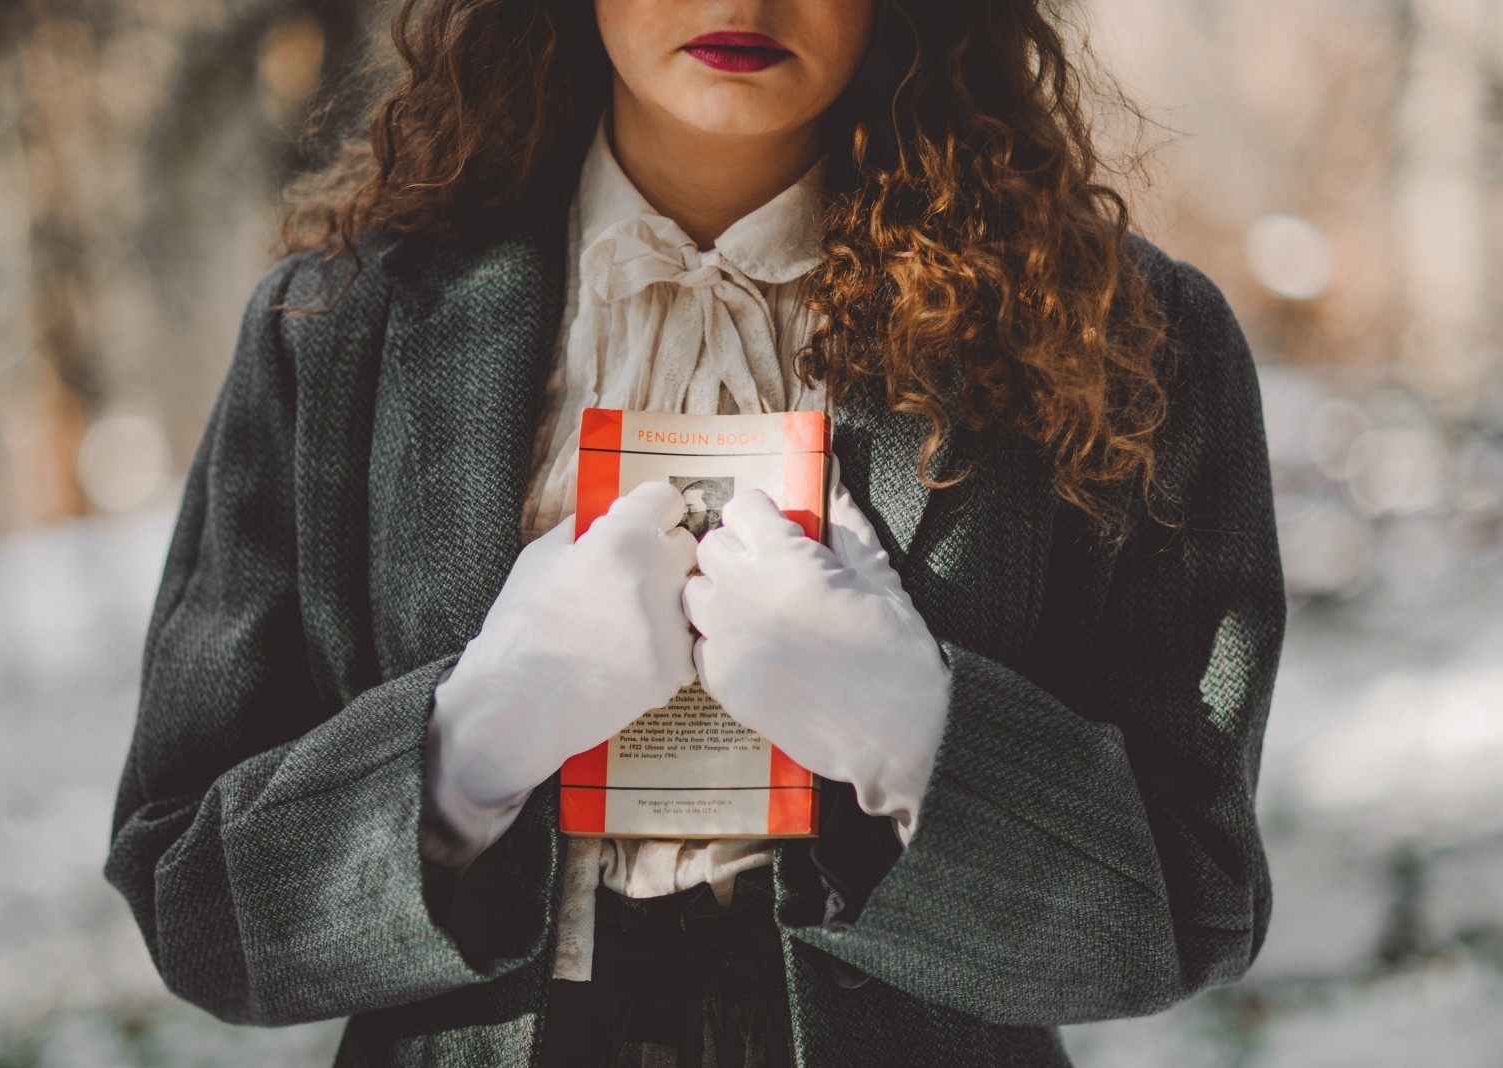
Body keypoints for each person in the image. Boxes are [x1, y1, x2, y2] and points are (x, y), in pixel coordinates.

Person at [104, 0, 1287, 1065]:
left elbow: (1197, 903)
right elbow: (193, 902)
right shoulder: (332, 333)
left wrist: (917, 736)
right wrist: (473, 738)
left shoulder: (1125, 339)